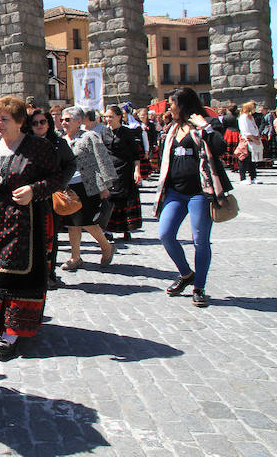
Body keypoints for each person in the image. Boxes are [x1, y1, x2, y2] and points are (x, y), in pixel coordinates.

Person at [0, 98, 61, 359]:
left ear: (19, 122)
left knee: (17, 276)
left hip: (24, 220)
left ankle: (13, 330)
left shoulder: (39, 147)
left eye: (3, 119)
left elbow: (56, 178)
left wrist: (34, 190)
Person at [154, 87, 232, 308]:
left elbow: (220, 147)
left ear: (184, 104)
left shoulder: (207, 123)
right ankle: (186, 274)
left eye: (172, 103)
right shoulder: (172, 128)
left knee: (200, 241)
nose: (169, 107)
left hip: (200, 192)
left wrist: (204, 127)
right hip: (175, 192)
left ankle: (199, 287)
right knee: (165, 234)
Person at [59, 106, 118, 271]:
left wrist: (105, 185)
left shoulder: (89, 137)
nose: (64, 122)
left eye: (68, 119)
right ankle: (75, 257)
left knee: (86, 221)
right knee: (72, 223)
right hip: (68, 186)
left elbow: (102, 160)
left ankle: (106, 247)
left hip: (87, 185)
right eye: (62, 119)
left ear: (79, 121)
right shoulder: (61, 139)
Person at [27, 109, 76, 288]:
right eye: (35, 123)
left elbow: (71, 164)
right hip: (29, 196)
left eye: (42, 122)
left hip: (50, 196)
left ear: (48, 123)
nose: (39, 126)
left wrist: (59, 183)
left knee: (50, 236)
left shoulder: (58, 143)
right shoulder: (25, 143)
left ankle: (49, 273)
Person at [102, 105, 144, 240]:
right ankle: (108, 229)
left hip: (125, 169)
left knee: (125, 199)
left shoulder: (127, 133)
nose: (108, 119)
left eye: (111, 117)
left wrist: (137, 171)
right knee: (110, 199)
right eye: (106, 117)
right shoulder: (104, 133)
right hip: (109, 170)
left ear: (119, 117)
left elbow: (136, 154)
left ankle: (127, 228)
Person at [237, 101, 263, 184]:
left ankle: (253, 176)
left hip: (253, 139)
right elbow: (246, 131)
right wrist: (254, 139)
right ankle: (243, 178)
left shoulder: (250, 117)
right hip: (247, 140)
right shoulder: (244, 117)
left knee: (253, 159)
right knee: (244, 158)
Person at [220, 103, 240, 172]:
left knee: (229, 150)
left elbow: (223, 127)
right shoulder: (238, 116)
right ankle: (236, 164)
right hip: (237, 132)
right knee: (236, 149)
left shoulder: (225, 117)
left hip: (229, 133)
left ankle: (231, 164)